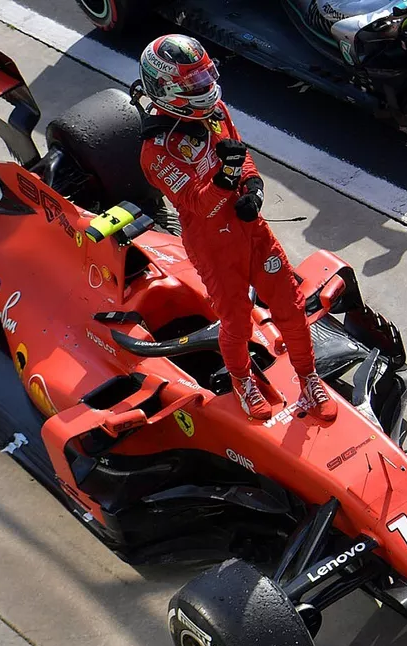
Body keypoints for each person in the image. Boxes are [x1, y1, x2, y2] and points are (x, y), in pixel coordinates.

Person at [136, 34, 337, 423]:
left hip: (251, 228)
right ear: (167, 90)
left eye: (203, 77)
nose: (205, 88)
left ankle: (309, 378)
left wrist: (253, 187)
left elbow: (240, 155)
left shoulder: (216, 111)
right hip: (212, 244)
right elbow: (199, 203)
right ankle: (242, 380)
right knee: (237, 320)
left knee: (291, 308)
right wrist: (228, 177)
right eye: (193, 84)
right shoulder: (154, 152)